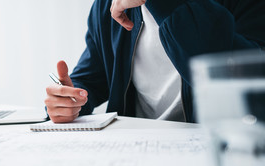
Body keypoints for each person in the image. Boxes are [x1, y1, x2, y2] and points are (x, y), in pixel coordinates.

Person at [45, 0, 265, 123]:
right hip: (135, 153)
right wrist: (67, 100)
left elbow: (245, 84)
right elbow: (91, 79)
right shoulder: (106, 6)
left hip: (218, 151)